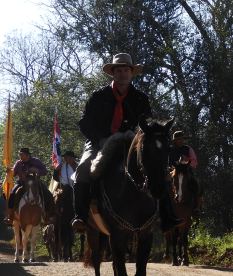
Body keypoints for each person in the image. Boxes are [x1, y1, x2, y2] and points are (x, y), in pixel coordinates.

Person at [70, 53, 183, 233]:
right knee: (83, 167)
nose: (123, 74)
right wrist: (100, 138)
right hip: (100, 143)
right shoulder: (98, 96)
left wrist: (137, 134)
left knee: (162, 169)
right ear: (113, 74)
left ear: (131, 73)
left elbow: (148, 126)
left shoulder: (140, 98)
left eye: (126, 70)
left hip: (132, 143)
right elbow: (84, 122)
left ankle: (167, 215)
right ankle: (80, 216)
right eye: (119, 70)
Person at [4, 147, 56, 225]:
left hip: (35, 183)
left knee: (48, 195)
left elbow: (45, 172)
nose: (21, 157)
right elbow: (14, 173)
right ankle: (10, 216)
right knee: (12, 194)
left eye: (22, 155)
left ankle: (48, 217)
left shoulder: (36, 161)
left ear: (28, 155)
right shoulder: (19, 163)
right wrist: (9, 171)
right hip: (22, 183)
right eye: (20, 155)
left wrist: (36, 170)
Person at [168, 130, 203, 218]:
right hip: (173, 172)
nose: (180, 141)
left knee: (198, 187)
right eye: (178, 139)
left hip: (186, 173)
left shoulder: (188, 149)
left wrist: (187, 159)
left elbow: (194, 163)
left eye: (181, 139)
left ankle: (196, 209)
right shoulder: (169, 150)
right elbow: (165, 162)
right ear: (174, 140)